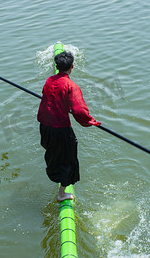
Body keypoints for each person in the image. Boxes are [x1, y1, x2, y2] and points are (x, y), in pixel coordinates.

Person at [37, 51, 101, 202]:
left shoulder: (49, 80)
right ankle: (61, 194)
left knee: (54, 154)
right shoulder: (71, 86)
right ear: (72, 66)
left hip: (44, 126)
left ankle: (55, 179)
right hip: (60, 129)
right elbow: (80, 111)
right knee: (69, 159)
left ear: (57, 67)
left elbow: (48, 96)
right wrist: (91, 121)